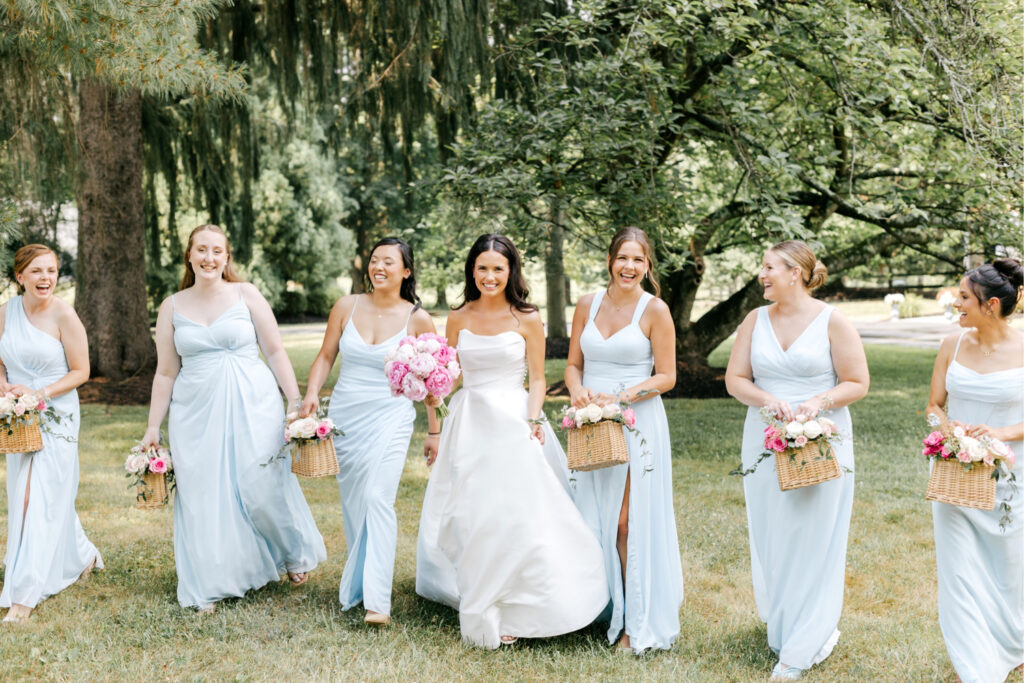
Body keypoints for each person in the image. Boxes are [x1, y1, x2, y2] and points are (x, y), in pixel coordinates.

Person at [416, 233, 608, 648]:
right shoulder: (458, 317)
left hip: (513, 418)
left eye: (498, 269)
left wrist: (533, 417)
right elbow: (451, 374)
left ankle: (525, 602)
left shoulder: (527, 318)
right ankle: (475, 584)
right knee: (471, 508)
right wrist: (432, 388)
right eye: (482, 268)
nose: (489, 276)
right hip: (469, 421)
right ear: (472, 270)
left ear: (510, 272)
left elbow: (537, 378)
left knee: (518, 509)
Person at [141, 224, 325, 613]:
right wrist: (153, 426)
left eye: (217, 251)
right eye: (201, 250)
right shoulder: (171, 306)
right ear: (189, 255)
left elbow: (274, 351)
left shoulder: (246, 294)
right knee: (202, 492)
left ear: (227, 257)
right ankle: (210, 579)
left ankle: (291, 552)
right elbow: (165, 373)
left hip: (253, 402)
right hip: (195, 409)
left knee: (262, 483)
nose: (209, 258)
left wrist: (294, 403)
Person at [724, 240, 869, 680]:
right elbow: (735, 379)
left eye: (769, 267)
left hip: (821, 437)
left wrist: (816, 402)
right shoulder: (755, 319)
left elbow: (857, 382)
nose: (761, 274)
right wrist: (768, 400)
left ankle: (807, 638)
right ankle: (785, 617)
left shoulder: (833, 321)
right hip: (763, 438)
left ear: (796, 273)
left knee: (815, 534)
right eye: (762, 267)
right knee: (772, 530)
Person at [300, 237, 439, 626]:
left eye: (389, 262)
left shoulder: (418, 319)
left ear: (406, 271)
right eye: (375, 260)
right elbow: (326, 355)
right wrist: (312, 393)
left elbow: (433, 381)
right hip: (347, 417)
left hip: (392, 416)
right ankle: (359, 586)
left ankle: (378, 602)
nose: (379, 267)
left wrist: (434, 432)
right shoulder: (347, 306)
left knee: (378, 498)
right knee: (356, 504)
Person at [564, 227, 683, 653]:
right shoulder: (585, 305)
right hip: (590, 421)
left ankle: (635, 623)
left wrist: (621, 397)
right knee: (589, 516)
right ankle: (594, 608)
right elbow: (573, 365)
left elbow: (667, 376)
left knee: (626, 522)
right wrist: (578, 391)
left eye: (638, 260)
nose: (629, 267)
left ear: (647, 266)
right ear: (610, 260)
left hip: (637, 421)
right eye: (622, 258)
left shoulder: (656, 310)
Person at [924, 258, 1023, 683]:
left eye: (964, 296)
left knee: (1010, 564)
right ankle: (975, 666)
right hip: (954, 472)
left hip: (1011, 473)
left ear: (992, 304)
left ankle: (1015, 642)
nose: (956, 302)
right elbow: (933, 405)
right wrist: (947, 432)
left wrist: (998, 434)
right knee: (958, 568)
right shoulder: (952, 344)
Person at [0, 244, 101, 623]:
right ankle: (81, 553)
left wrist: (38, 395)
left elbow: (81, 372)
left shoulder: (64, 314)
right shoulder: (5, 313)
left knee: (36, 497)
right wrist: (6, 389)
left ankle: (24, 597)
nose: (45, 278)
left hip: (56, 412)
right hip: (19, 417)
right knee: (27, 494)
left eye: (52, 271)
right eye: (37, 271)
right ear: (20, 276)